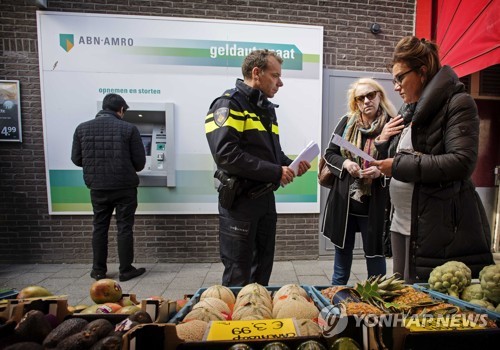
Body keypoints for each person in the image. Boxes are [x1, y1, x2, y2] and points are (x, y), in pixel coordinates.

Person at [371, 36, 494, 283]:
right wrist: (382, 144)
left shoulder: (458, 104)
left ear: (422, 72)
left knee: (422, 308)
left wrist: (397, 166)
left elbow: (461, 162)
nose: (396, 87)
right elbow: (402, 158)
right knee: (403, 300)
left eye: (400, 78)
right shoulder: (411, 111)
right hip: (402, 223)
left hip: (435, 229)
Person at [205, 49, 311, 287]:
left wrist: (289, 164)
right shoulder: (228, 104)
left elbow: (271, 155)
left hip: (265, 200)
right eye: (275, 76)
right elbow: (226, 155)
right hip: (240, 202)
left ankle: (257, 316)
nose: (280, 82)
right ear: (256, 73)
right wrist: (276, 172)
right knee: (238, 273)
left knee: (262, 267)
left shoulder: (266, 109)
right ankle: (235, 322)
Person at [322, 78, 397, 285]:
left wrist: (380, 172)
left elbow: (398, 161)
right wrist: (346, 163)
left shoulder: (392, 124)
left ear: (379, 96)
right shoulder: (347, 122)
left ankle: (377, 301)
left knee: (374, 256)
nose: (366, 101)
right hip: (346, 201)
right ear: (355, 102)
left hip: (375, 203)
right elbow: (330, 153)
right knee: (341, 256)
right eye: (361, 97)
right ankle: (337, 297)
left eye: (371, 95)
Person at [71, 93, 147, 282]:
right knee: (124, 228)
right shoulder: (129, 129)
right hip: (124, 187)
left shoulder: (82, 129)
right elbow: (139, 163)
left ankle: (98, 270)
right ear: (121, 110)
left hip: (98, 187)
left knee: (99, 227)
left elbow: (76, 159)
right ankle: (125, 269)